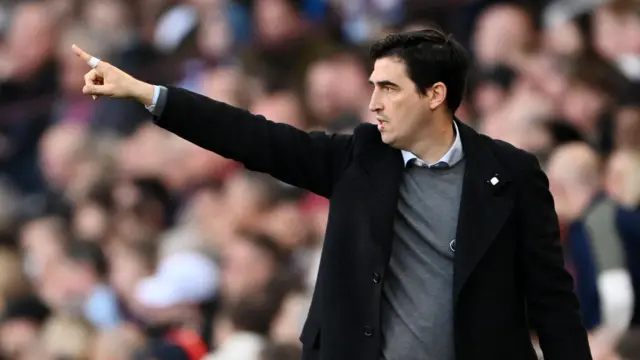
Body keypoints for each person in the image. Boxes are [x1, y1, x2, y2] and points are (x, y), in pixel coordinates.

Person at [71, 28, 592, 360]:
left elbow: (551, 299)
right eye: (371, 86)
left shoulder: (511, 174)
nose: (373, 103)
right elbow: (251, 136)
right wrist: (147, 94)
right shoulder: (358, 160)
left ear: (435, 95)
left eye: (388, 88)